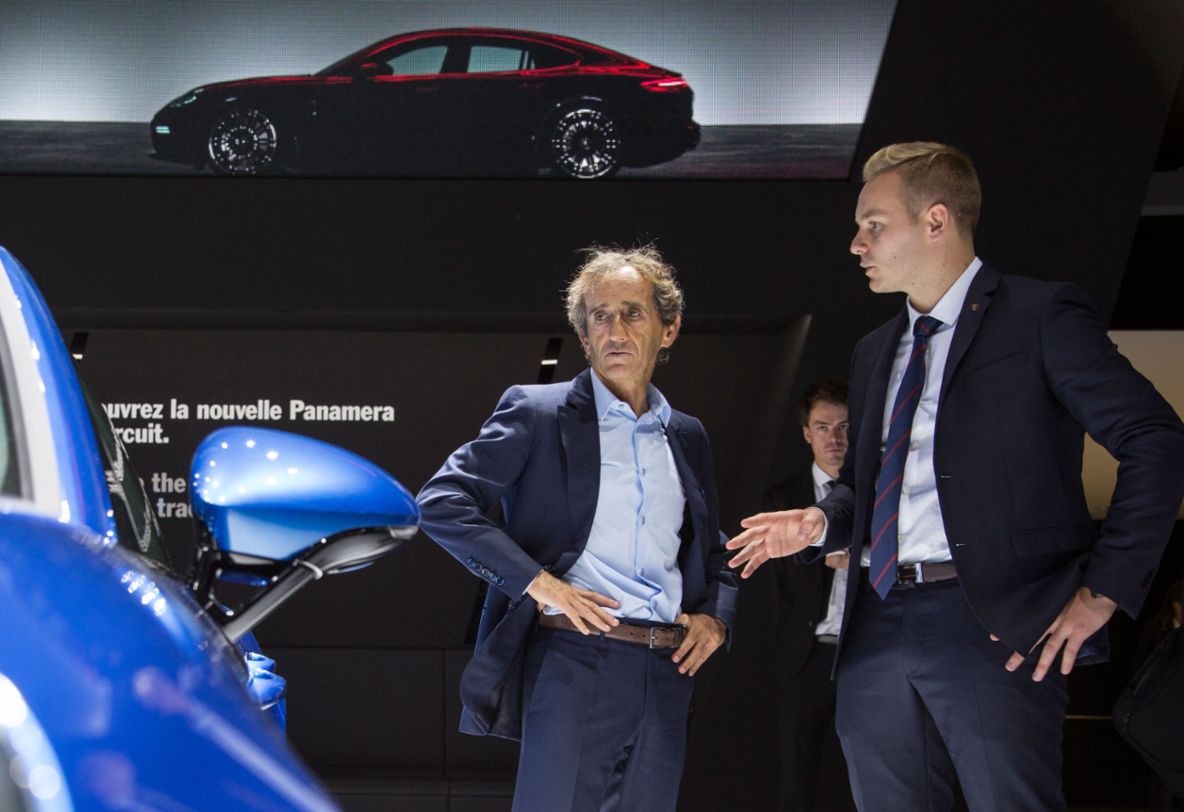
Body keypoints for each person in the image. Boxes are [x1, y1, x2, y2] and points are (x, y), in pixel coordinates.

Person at [726, 141, 1184, 811]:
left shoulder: (1039, 317)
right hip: (874, 623)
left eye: (873, 224)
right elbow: (865, 485)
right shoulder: (877, 348)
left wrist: (1104, 591)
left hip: (993, 621)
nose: (857, 243)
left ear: (936, 221)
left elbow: (1155, 439)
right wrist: (822, 520)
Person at [418, 246, 738, 811]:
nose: (615, 329)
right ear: (584, 338)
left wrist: (716, 616)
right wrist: (539, 584)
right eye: (599, 316)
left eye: (633, 313)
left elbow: (712, 547)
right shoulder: (537, 411)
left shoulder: (687, 435)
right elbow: (441, 501)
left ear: (669, 329)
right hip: (574, 659)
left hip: (666, 670)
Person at [762, 380, 853, 812]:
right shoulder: (784, 497)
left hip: (867, 652)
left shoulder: (879, 494)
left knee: (877, 774)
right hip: (805, 656)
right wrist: (823, 557)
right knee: (796, 781)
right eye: (823, 427)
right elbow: (776, 584)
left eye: (844, 427)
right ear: (806, 432)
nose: (834, 439)